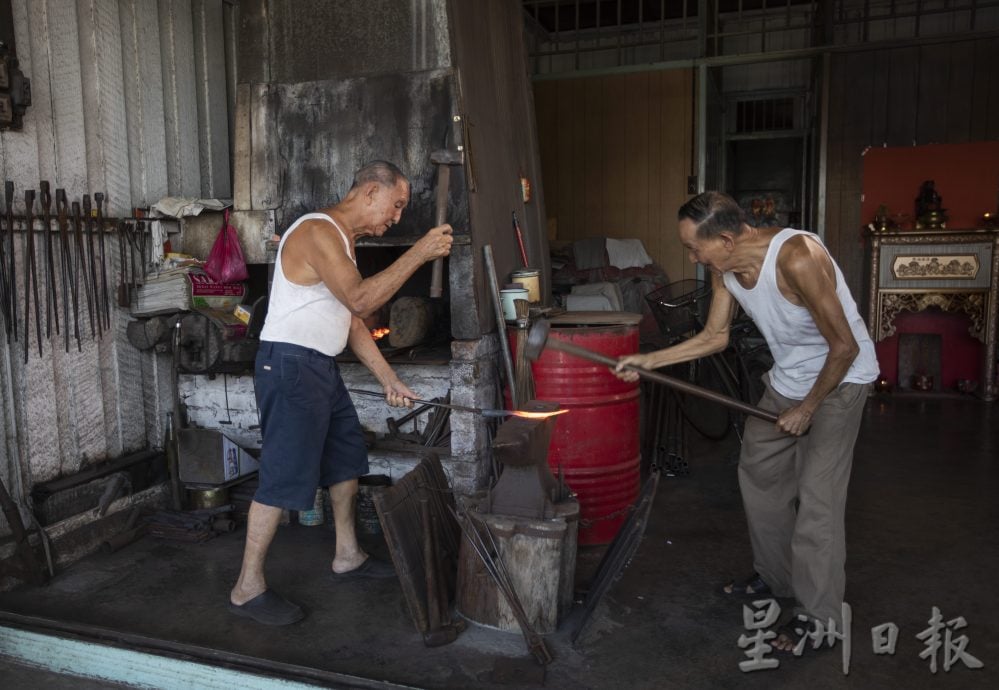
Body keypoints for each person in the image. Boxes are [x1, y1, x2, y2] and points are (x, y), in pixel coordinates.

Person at [616, 191, 878, 650]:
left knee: (818, 499)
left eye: (695, 248)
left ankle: (820, 618)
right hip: (789, 383)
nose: (692, 257)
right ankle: (775, 578)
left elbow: (844, 347)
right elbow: (714, 338)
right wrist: (649, 360)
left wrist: (808, 408)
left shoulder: (797, 257)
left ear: (726, 239)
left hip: (840, 384)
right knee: (758, 472)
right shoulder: (727, 271)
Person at [229, 160, 453, 625]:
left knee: (347, 458)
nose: (395, 217)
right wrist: (420, 252)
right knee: (283, 474)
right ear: (370, 191)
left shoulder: (343, 241)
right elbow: (363, 301)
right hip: (289, 365)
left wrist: (389, 378)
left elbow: (351, 321)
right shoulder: (317, 231)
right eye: (395, 205)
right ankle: (247, 587)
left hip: (317, 366)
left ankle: (347, 554)